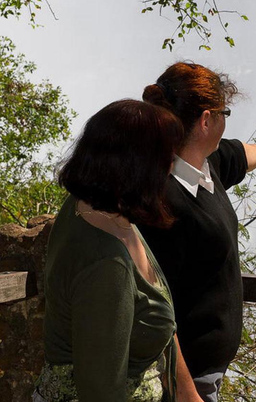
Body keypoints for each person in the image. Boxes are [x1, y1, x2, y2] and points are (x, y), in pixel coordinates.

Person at [140, 61, 256, 402]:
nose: (225, 121)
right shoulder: (161, 202)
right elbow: (153, 311)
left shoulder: (203, 166)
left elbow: (240, 154)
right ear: (206, 120)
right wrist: (188, 395)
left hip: (205, 372)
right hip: (184, 381)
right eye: (224, 113)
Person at [34, 100, 185, 402]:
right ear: (137, 166)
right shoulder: (106, 265)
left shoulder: (95, 208)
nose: (172, 166)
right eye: (166, 158)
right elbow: (102, 391)